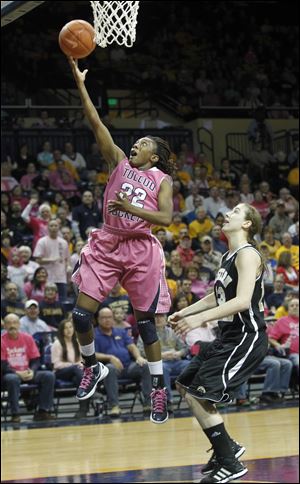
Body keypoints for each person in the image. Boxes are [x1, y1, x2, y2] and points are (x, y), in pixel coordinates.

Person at [68, 57, 175, 424]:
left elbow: (165, 219)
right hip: (108, 241)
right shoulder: (117, 162)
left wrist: (130, 205)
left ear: (154, 156)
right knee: (81, 313)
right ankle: (91, 366)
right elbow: (95, 120)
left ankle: (159, 388)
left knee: (145, 325)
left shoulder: (162, 179)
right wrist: (79, 83)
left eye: (143, 143)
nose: (135, 144)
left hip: (141, 246)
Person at [168, 203, 268, 483]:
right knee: (185, 385)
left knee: (200, 395)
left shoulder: (248, 255)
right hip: (228, 336)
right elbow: (218, 296)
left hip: (247, 336)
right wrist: (186, 312)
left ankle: (230, 462)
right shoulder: (228, 255)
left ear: (247, 224)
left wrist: (200, 321)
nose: (228, 213)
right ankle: (228, 447)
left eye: (236, 211)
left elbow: (242, 301)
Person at [94, 307, 152, 417]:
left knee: (145, 365)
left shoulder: (121, 331)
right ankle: (114, 406)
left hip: (128, 366)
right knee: (109, 369)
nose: (107, 320)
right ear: (98, 319)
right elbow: (92, 354)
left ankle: (148, 404)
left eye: (109, 317)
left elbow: (132, 346)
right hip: (109, 368)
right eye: (104, 318)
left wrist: (138, 357)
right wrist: (110, 357)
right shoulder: (94, 334)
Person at [1, 313, 56, 422]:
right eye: (9, 323)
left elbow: (35, 360)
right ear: (5, 326)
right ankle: (15, 414)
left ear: (19, 324)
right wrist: (17, 373)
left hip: (27, 371)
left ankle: (43, 411)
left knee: (49, 375)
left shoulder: (27, 338)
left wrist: (32, 371)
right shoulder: (1, 340)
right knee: (12, 379)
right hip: (9, 374)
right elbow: (2, 364)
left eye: (15, 322)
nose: (12, 325)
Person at [51, 318, 89, 418]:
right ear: (61, 330)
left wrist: (80, 364)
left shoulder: (77, 342)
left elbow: (83, 360)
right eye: (65, 328)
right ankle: (91, 390)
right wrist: (73, 365)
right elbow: (56, 364)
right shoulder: (57, 344)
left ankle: (83, 410)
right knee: (77, 369)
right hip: (60, 373)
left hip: (76, 373)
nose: (68, 330)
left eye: (70, 327)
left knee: (78, 377)